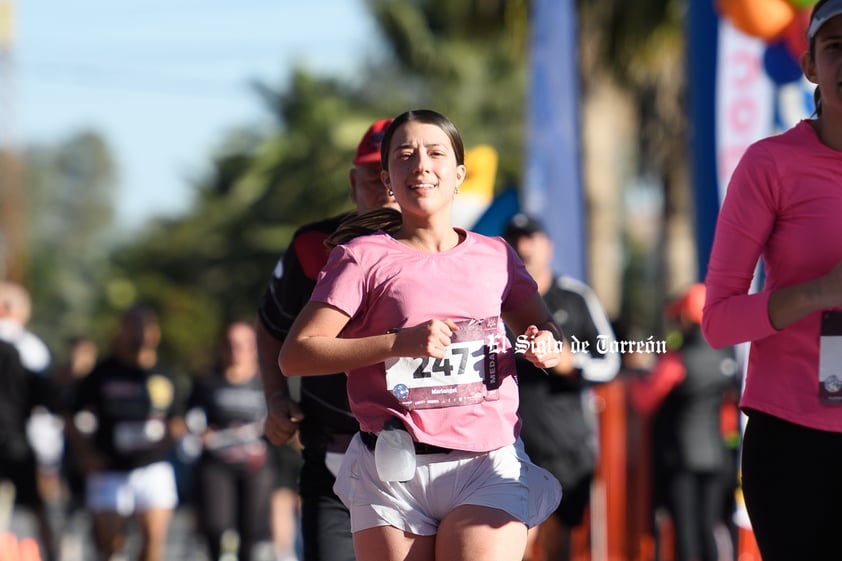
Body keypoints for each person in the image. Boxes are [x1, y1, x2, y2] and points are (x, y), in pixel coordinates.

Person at [279, 109, 567, 561]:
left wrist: (543, 343)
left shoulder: (495, 255)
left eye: (435, 152)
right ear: (389, 178)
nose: (420, 164)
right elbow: (297, 355)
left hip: (486, 464)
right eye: (405, 155)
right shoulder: (361, 257)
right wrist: (399, 343)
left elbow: (546, 329)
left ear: (459, 174)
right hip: (392, 470)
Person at [701, 2, 842, 558]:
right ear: (810, 64)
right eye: (836, 48)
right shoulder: (771, 165)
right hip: (794, 442)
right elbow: (717, 321)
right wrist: (820, 293)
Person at [257, 117, 397, 561]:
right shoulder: (312, 246)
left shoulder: (451, 252)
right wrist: (276, 398)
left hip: (422, 463)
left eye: (394, 172)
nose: (386, 186)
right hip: (333, 454)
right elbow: (270, 327)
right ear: (354, 182)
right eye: (375, 176)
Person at [502, 212, 620, 561]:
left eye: (531, 238)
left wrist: (573, 364)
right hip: (509, 442)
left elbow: (611, 361)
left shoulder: (575, 297)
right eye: (515, 240)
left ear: (548, 246)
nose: (523, 247)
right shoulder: (493, 302)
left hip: (565, 446)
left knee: (557, 544)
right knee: (513, 541)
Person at [65, 304, 185, 561]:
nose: (138, 333)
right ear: (120, 331)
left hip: (153, 467)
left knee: (153, 539)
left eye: (144, 326)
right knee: (111, 546)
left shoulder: (165, 375)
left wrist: (166, 442)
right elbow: (70, 414)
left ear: (155, 333)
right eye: (131, 326)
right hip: (109, 469)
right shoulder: (102, 373)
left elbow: (177, 420)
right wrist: (86, 454)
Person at [630, 284, 739, 561]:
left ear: (685, 318)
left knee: (686, 532)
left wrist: (636, 374)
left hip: (683, 459)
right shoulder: (727, 359)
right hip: (718, 457)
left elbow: (643, 400)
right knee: (709, 527)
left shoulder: (677, 361)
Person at [185, 320, 275, 561]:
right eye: (231, 345)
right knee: (217, 529)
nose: (237, 351)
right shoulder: (207, 381)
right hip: (216, 465)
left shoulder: (266, 382)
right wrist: (198, 433)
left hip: (254, 467)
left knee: (251, 535)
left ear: (254, 348)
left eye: (243, 345)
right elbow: (190, 418)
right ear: (222, 347)